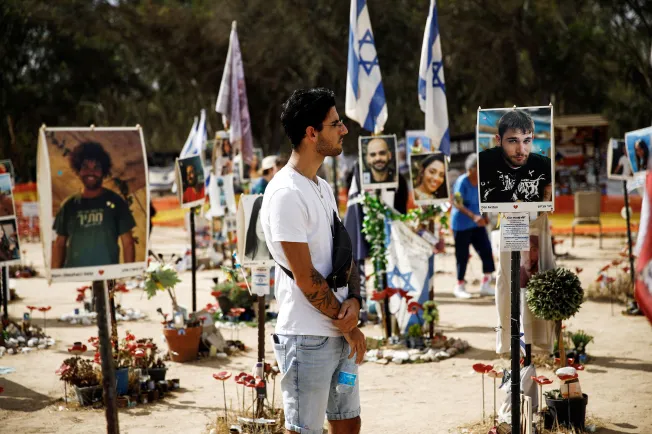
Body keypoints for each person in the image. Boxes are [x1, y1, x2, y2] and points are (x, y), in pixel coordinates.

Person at [261, 88, 365, 434]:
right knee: (305, 429)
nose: (343, 130)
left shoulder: (318, 185)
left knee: (348, 422)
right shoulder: (286, 194)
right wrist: (348, 323)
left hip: (337, 327)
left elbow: (341, 253)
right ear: (311, 133)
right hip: (306, 337)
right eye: (335, 124)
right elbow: (305, 277)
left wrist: (354, 300)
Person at [52, 141, 135, 268]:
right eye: (85, 167)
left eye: (96, 167)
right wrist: (55, 275)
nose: (91, 172)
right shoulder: (68, 205)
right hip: (74, 277)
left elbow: (128, 242)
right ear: (78, 170)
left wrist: (129, 274)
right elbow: (59, 244)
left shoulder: (116, 202)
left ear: (104, 171)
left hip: (108, 277)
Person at [479, 110, 552, 203]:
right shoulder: (483, 162)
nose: (521, 150)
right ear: (498, 140)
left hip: (536, 216)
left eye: (526, 141)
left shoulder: (544, 164)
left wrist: (543, 207)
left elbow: (548, 184)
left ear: (532, 139)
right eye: (513, 141)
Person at [450, 153, 496, 298]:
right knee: (462, 255)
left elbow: (485, 199)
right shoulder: (462, 182)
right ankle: (460, 285)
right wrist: (474, 216)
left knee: (486, 251)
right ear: (471, 169)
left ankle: (486, 283)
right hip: (462, 224)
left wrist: (485, 216)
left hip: (478, 224)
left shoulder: (482, 181)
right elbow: (457, 203)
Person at [244, 196, 272, 261]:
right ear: (254, 219)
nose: (264, 226)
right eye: (260, 217)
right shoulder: (246, 258)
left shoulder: (279, 259)